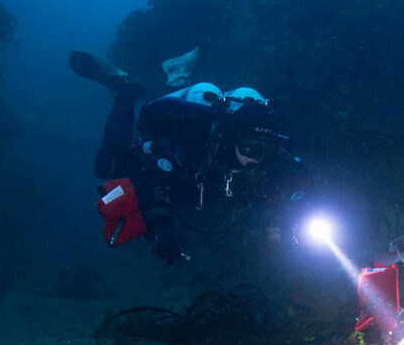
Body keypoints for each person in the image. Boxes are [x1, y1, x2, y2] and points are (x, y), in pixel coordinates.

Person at [69, 51, 308, 264]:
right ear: (232, 140)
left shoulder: (266, 152)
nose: (256, 160)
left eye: (266, 152)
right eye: (249, 149)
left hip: (206, 170)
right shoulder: (196, 143)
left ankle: (179, 77)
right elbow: (149, 176)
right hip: (174, 149)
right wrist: (159, 221)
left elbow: (299, 179)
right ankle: (124, 87)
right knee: (110, 166)